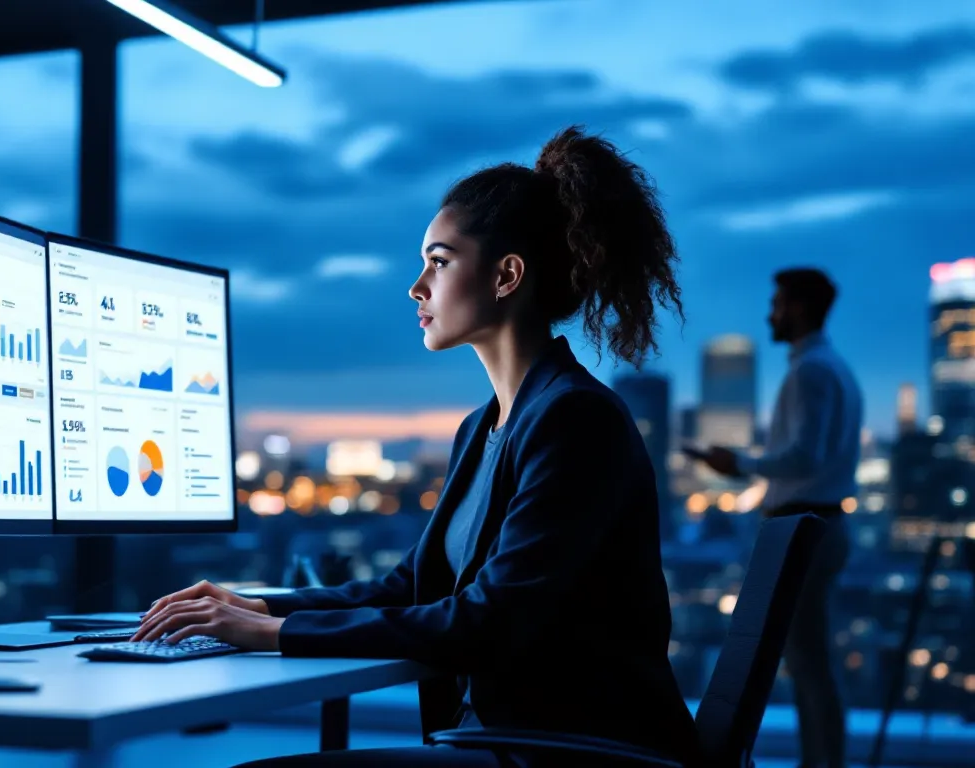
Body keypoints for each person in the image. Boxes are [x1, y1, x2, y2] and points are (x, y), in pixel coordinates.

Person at [133, 125, 701, 767]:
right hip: (509, 740)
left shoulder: (576, 419)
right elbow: (412, 587)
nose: (417, 286)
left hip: (576, 753)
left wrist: (273, 633)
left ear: (507, 275)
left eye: (439, 261)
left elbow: (488, 621)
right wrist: (257, 605)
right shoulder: (484, 427)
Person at [692, 268, 860, 768]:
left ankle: (822, 762)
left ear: (799, 308)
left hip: (807, 526)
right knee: (810, 660)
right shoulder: (835, 369)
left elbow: (806, 456)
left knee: (809, 662)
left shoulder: (811, 371)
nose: (771, 314)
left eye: (778, 304)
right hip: (821, 523)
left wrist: (741, 464)